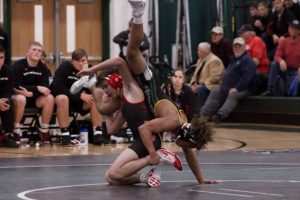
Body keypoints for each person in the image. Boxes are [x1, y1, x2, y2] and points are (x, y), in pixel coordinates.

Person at [73, 0, 216, 186]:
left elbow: (189, 154)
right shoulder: (174, 121)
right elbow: (144, 128)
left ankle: (91, 83)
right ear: (188, 137)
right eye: (191, 145)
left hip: (144, 96)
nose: (188, 149)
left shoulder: (182, 125)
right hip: (149, 85)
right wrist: (152, 154)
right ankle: (139, 12)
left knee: (105, 106)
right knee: (131, 52)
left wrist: (201, 180)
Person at [50, 48, 103, 145]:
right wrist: (79, 95)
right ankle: (65, 134)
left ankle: (97, 133)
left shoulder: (91, 70)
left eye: (83, 61)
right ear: (72, 61)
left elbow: (93, 89)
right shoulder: (64, 68)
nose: (80, 63)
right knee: (62, 98)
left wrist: (86, 74)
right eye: (77, 61)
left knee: (96, 96)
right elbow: (57, 88)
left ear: (87, 60)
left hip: (80, 102)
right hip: (65, 100)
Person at [200, 37, 256, 122]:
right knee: (215, 91)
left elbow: (247, 78)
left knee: (233, 95)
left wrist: (237, 88)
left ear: (244, 47)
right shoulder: (233, 60)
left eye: (239, 46)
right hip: (228, 87)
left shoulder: (247, 60)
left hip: (245, 89)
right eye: (235, 47)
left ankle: (220, 115)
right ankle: (203, 114)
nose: (237, 49)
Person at [11, 41, 54, 144]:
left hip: (35, 98)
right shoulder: (18, 65)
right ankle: (16, 130)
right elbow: (17, 86)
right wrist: (37, 88)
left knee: (50, 98)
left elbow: (46, 88)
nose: (37, 52)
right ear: (27, 52)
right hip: (19, 97)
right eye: (34, 50)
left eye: (39, 51)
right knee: (21, 98)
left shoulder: (44, 68)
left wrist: (31, 93)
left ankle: (44, 131)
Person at [261, 19, 300, 96]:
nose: (294, 30)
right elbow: (276, 55)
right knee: (274, 64)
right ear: (288, 29)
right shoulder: (284, 41)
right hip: (286, 69)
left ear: (299, 31)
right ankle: (270, 89)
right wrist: (281, 60)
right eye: (292, 28)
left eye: (296, 29)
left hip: (297, 71)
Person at [163, 69, 199, 142]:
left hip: (184, 119)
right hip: (169, 118)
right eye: (175, 76)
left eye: (180, 77)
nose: (177, 79)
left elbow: (192, 111)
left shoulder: (188, 91)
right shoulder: (167, 89)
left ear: (183, 80)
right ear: (172, 78)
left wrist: (188, 124)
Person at [190, 42, 224, 110]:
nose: (197, 52)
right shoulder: (200, 60)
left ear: (204, 52)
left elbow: (215, 77)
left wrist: (200, 84)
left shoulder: (215, 60)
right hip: (200, 85)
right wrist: (193, 84)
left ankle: (202, 112)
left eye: (198, 50)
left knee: (200, 89)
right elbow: (195, 75)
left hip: (212, 86)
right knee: (186, 88)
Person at [238, 24, 269, 95]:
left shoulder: (257, 40)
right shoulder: (243, 43)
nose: (240, 34)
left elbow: (256, 61)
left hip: (259, 71)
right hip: (247, 69)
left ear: (249, 33)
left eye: (242, 32)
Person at [0, 47, 18, 147]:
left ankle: (8, 136)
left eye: (1, 57)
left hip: (1, 99)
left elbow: (7, 91)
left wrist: (3, 101)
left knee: (8, 102)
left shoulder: (8, 71)